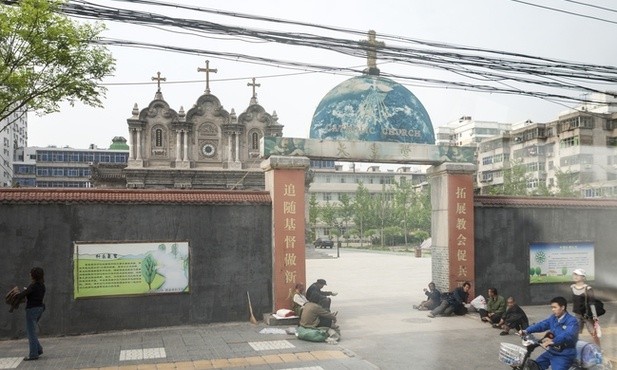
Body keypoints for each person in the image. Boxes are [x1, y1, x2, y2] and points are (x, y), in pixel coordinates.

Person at [519, 296, 579, 370]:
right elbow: (542, 325)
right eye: (552, 307)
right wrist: (526, 330)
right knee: (534, 367)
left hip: (564, 354)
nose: (553, 310)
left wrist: (553, 341)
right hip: (552, 351)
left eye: (555, 307)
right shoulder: (553, 318)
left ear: (563, 307)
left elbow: (568, 335)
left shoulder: (572, 321)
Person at [14, 267, 46, 361]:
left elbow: (21, 295)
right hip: (40, 308)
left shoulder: (33, 286)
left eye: (30, 273)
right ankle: (38, 349)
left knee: (31, 333)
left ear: (33, 275)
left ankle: (33, 354)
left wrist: (16, 293)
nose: (29, 274)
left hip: (32, 310)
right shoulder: (42, 285)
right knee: (32, 331)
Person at [570, 268, 601, 347]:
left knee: (593, 333)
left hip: (587, 316)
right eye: (574, 274)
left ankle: (599, 349)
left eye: (578, 275)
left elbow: (592, 303)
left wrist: (594, 316)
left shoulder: (588, 289)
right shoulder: (572, 287)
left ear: (583, 277)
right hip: (577, 315)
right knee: (574, 333)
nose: (575, 276)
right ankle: (574, 350)